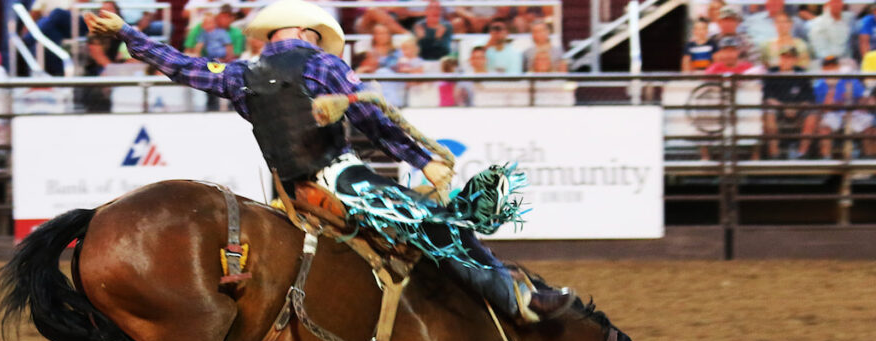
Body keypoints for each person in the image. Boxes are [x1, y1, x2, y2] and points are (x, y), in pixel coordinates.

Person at [83, 0, 573, 324]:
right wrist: (422, 160)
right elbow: (368, 116)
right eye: (315, 32)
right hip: (339, 179)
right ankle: (517, 302)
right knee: (439, 224)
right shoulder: (323, 65)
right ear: (301, 31)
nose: (318, 39)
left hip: (290, 191)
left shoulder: (239, 73)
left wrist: (127, 30)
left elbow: (181, 65)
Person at [762, 47, 817, 158]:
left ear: (795, 59)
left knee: (812, 114)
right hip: (778, 107)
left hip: (798, 107)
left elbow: (809, 97)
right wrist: (783, 107)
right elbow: (767, 96)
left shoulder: (801, 73)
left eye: (790, 57)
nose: (786, 60)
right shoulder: (771, 73)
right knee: (769, 113)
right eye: (784, 57)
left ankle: (802, 153)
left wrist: (796, 107)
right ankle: (775, 154)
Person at [813, 55, 869, 158]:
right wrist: (831, 88)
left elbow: (862, 99)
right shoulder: (820, 83)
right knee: (824, 128)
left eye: (833, 66)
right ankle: (826, 161)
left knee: (869, 127)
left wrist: (852, 104)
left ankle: (869, 161)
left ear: (838, 67)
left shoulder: (849, 78)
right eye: (827, 67)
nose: (831, 69)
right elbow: (825, 108)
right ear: (823, 69)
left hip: (852, 111)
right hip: (833, 113)